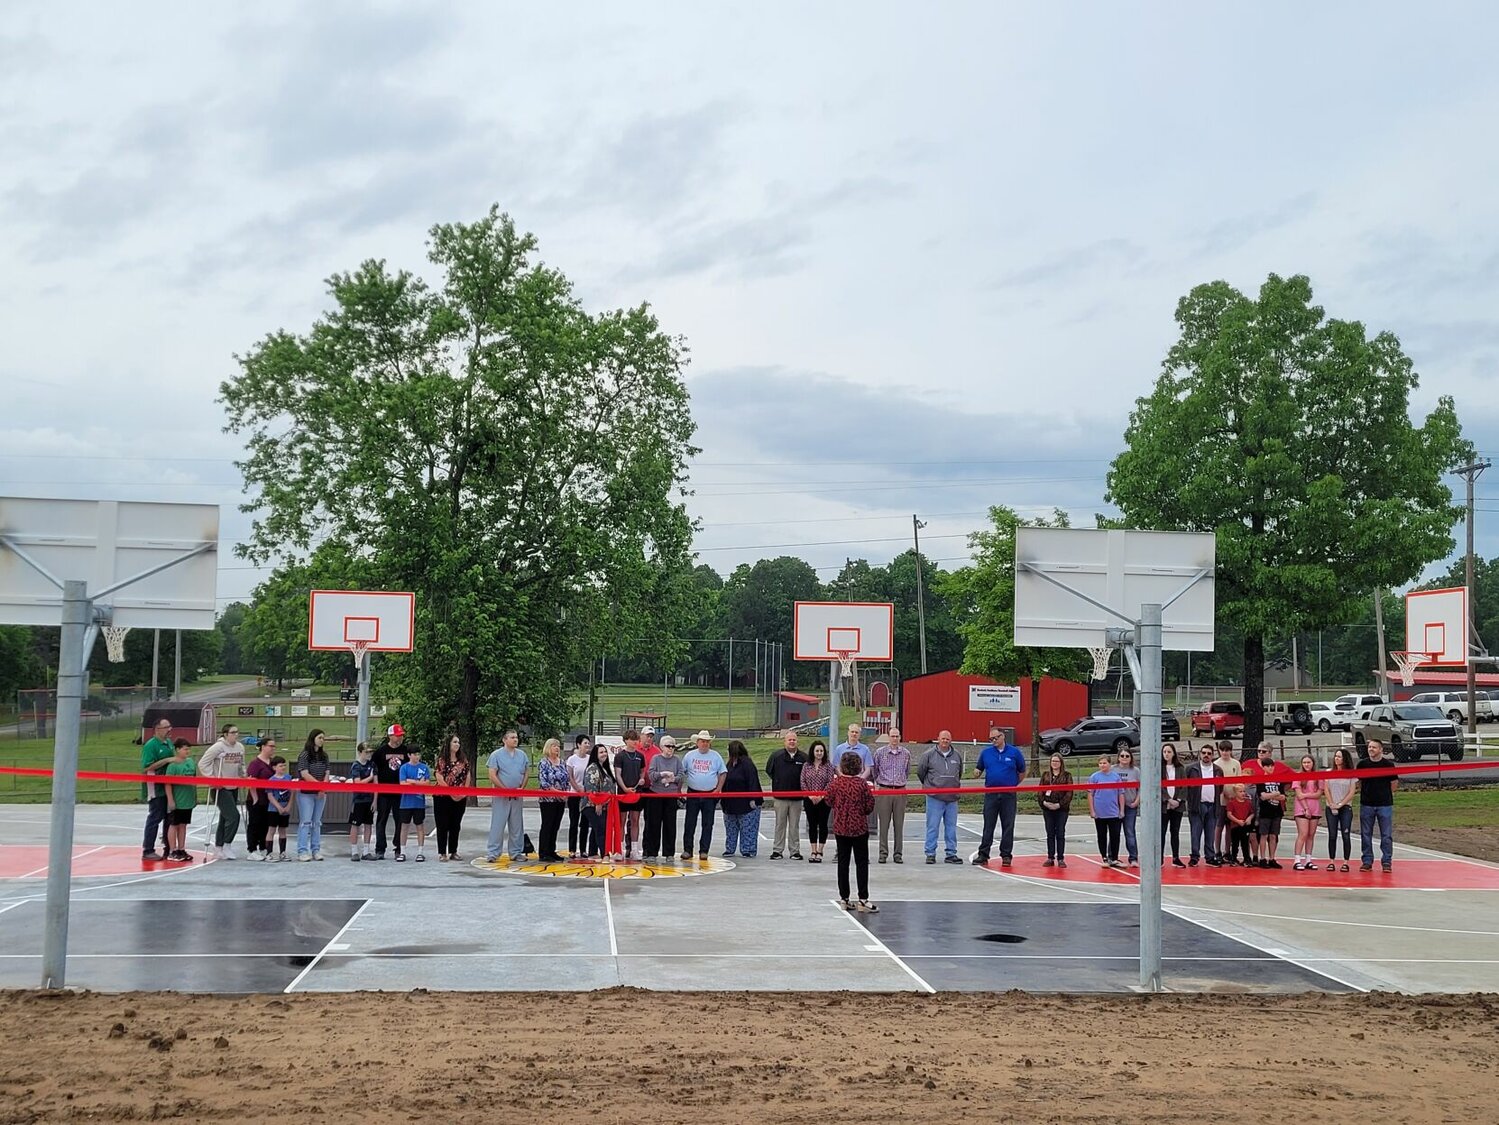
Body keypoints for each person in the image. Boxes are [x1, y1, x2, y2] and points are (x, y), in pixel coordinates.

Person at [826, 750, 878, 913]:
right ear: (858, 767)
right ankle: (863, 899)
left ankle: (844, 898)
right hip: (859, 828)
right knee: (862, 863)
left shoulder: (836, 784)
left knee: (843, 863)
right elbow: (869, 806)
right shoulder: (862, 785)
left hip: (841, 828)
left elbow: (829, 801)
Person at [971, 726, 1026, 867]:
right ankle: (983, 854)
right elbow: (979, 768)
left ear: (1003, 737)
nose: (993, 741)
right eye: (991, 739)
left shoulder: (1015, 752)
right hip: (991, 794)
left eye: (995, 738)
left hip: (1008, 794)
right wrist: (976, 772)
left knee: (1008, 825)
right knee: (988, 825)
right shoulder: (986, 753)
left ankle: (1006, 855)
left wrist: (1012, 784)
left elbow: (1022, 772)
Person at [198, 722, 246, 860]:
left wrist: (243, 775)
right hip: (220, 787)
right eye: (233, 732)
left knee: (224, 817)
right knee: (233, 816)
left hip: (234, 785)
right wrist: (213, 779)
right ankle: (227, 844)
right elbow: (203, 763)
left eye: (237, 732)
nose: (236, 735)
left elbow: (241, 763)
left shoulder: (239, 747)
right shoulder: (218, 747)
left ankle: (218, 847)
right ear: (225, 734)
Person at [917, 730, 964, 865]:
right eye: (943, 738)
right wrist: (930, 787)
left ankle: (951, 853)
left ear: (951, 740)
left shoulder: (957, 755)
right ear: (938, 739)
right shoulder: (928, 755)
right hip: (934, 797)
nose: (945, 741)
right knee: (932, 826)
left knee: (951, 827)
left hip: (952, 798)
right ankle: (930, 853)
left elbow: (959, 774)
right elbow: (921, 772)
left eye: (947, 739)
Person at [680, 730, 726, 861]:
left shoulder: (715, 756)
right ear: (697, 743)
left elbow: (723, 773)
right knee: (690, 822)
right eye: (702, 741)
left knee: (708, 823)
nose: (705, 743)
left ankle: (704, 850)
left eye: (707, 741)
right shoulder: (689, 756)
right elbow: (682, 772)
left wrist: (718, 789)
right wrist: (680, 789)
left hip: (710, 794)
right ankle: (687, 849)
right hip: (693, 792)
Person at [486, 729, 530, 863]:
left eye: (516, 737)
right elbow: (492, 775)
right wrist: (504, 789)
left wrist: (521, 788)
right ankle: (493, 853)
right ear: (504, 740)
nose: (515, 740)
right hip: (501, 795)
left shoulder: (522, 755)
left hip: (517, 795)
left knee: (517, 825)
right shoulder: (496, 755)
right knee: (498, 824)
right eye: (512, 737)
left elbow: (526, 772)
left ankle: (516, 852)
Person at [764, 731, 807, 860]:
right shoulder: (776, 756)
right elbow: (769, 771)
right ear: (785, 741)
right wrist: (778, 782)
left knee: (794, 826)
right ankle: (777, 850)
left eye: (794, 740)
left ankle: (795, 851)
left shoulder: (803, 758)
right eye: (789, 740)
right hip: (780, 798)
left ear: (797, 741)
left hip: (797, 799)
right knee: (780, 825)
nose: (792, 742)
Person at [872, 726, 911, 864]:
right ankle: (883, 853)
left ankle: (898, 854)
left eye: (897, 736)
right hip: (885, 790)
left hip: (900, 790)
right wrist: (882, 784)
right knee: (883, 824)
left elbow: (907, 771)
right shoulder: (879, 753)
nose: (895, 739)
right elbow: (875, 771)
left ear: (900, 737)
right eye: (892, 736)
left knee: (899, 825)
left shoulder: (906, 753)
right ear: (888, 737)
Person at [1358, 739, 1397, 872]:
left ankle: (1387, 862)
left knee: (1386, 834)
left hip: (1384, 804)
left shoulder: (1388, 765)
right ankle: (1367, 861)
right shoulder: (1362, 764)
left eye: (1374, 747)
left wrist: (1385, 795)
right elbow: (1359, 782)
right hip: (1367, 804)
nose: (1371, 749)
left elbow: (1394, 783)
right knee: (1365, 834)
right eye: (1369, 747)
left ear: (1381, 749)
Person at [372, 724, 410, 860]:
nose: (400, 737)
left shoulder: (406, 751)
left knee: (400, 820)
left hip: (400, 792)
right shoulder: (381, 752)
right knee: (381, 820)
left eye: (401, 735)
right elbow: (374, 768)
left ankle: (398, 847)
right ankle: (380, 848)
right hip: (384, 792)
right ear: (390, 736)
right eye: (397, 735)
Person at [720, 740, 764, 858]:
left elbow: (753, 781)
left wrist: (753, 799)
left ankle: (748, 849)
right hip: (731, 804)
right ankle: (730, 848)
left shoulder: (747, 764)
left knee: (748, 828)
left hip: (747, 804)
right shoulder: (729, 764)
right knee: (731, 828)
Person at [140, 717, 176, 860]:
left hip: (167, 786)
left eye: (169, 726)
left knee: (169, 817)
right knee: (155, 817)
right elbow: (146, 767)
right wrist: (167, 760)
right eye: (166, 727)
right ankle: (148, 849)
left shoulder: (168, 743)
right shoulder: (151, 745)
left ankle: (169, 847)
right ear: (157, 729)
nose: (169, 730)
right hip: (155, 787)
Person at [644, 734, 684, 860]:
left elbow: (681, 775)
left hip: (671, 795)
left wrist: (674, 779)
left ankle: (669, 853)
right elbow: (650, 774)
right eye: (668, 746)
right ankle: (651, 853)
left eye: (673, 746)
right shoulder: (656, 759)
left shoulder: (677, 760)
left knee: (670, 824)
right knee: (653, 824)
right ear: (662, 747)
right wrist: (661, 774)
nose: (670, 749)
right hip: (656, 794)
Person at [294, 728, 332, 862]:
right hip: (306, 793)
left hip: (321, 794)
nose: (322, 740)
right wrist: (318, 786)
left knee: (317, 822)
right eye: (320, 738)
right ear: (313, 739)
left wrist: (323, 788)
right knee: (305, 822)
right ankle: (302, 850)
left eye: (323, 738)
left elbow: (327, 773)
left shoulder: (324, 756)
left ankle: (316, 849)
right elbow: (304, 774)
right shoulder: (304, 755)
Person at [433, 736, 470, 862]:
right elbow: (439, 777)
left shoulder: (463, 760)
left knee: (455, 825)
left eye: (458, 742)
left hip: (460, 797)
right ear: (448, 744)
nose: (457, 744)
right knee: (442, 825)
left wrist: (464, 792)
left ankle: (453, 851)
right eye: (454, 742)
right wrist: (451, 793)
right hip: (443, 797)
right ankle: (442, 852)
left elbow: (467, 776)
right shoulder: (442, 760)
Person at [1253, 743, 1290, 869]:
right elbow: (1262, 796)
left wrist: (1273, 795)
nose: (1270, 768)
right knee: (1263, 835)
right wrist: (1274, 794)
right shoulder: (1260, 780)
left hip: (1276, 811)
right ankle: (1262, 857)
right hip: (1264, 811)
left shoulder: (1278, 780)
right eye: (1267, 766)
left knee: (1274, 835)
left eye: (1272, 766)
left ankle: (1272, 858)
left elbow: (1283, 796)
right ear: (1263, 768)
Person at [613, 729, 648, 861]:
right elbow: (618, 774)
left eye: (636, 740)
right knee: (621, 821)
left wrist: (641, 779)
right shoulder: (620, 756)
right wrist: (625, 788)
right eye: (632, 739)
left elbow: (642, 770)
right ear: (626, 740)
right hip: (623, 793)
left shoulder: (640, 756)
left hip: (636, 792)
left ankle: (634, 850)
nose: (635, 742)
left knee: (635, 820)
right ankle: (620, 849)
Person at [1185, 744, 1222, 867]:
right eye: (1204, 753)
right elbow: (1185, 787)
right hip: (1197, 805)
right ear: (1200, 754)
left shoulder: (1218, 770)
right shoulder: (1191, 769)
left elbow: (1220, 788)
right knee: (1195, 832)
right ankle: (1194, 856)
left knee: (1210, 833)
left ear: (1213, 755)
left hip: (1212, 805)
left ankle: (1210, 857)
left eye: (1209, 753)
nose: (1206, 755)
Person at [799, 740, 835, 864]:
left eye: (821, 751)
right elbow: (802, 781)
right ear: (813, 752)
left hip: (824, 800)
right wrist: (810, 795)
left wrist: (821, 795)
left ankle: (820, 850)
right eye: (817, 751)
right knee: (812, 825)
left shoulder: (828, 765)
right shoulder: (806, 765)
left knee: (823, 824)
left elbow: (831, 782)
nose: (819, 753)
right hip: (809, 799)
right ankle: (813, 850)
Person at [163, 738, 198, 862]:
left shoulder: (191, 762)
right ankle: (172, 850)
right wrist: (170, 800)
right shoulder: (173, 766)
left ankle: (181, 848)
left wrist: (195, 797)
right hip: (178, 800)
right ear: (177, 750)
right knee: (174, 825)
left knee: (183, 825)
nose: (187, 751)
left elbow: (194, 780)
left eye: (188, 749)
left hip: (188, 800)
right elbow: (167, 784)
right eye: (185, 749)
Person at [580, 741, 616, 859]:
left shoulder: (605, 768)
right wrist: (598, 803)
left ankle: (592, 852)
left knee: (597, 828)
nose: (604, 754)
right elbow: (591, 788)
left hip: (605, 804)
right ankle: (605, 854)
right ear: (595, 754)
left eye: (605, 751)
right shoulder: (593, 768)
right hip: (591, 804)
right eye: (601, 752)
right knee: (600, 828)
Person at [537, 737, 571, 862]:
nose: (557, 748)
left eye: (558, 746)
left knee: (556, 825)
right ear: (548, 748)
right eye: (554, 746)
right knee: (547, 824)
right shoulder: (544, 762)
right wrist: (557, 792)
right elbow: (544, 782)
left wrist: (565, 793)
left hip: (560, 800)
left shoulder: (562, 762)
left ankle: (551, 850)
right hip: (548, 799)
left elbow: (567, 779)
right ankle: (544, 852)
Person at [1087, 754, 1124, 867]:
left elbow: (1121, 794)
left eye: (1104, 763)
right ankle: (1104, 857)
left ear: (1109, 764)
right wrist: (1092, 811)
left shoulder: (1116, 777)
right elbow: (1090, 794)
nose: (1102, 765)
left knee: (1115, 836)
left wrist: (1121, 810)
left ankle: (1114, 857)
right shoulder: (1094, 777)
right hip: (1100, 813)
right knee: (1102, 835)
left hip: (1113, 812)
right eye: (1100, 763)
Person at [1037, 752, 1072, 868]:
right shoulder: (1046, 775)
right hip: (1047, 809)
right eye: (1053, 761)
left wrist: (1059, 805)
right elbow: (1040, 791)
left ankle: (1061, 858)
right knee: (1050, 833)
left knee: (1060, 833)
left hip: (1061, 809)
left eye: (1057, 761)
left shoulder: (1067, 776)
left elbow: (1069, 793)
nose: (1055, 763)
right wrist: (1044, 803)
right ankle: (1050, 857)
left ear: (1061, 763)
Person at [1324, 747, 1356, 873]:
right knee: (1332, 835)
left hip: (1345, 807)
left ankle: (1345, 862)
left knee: (1345, 834)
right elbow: (1326, 789)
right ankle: (1331, 861)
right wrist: (1332, 803)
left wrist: (1341, 804)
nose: (1336, 759)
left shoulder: (1350, 775)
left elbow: (1351, 792)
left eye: (1339, 756)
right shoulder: (1329, 772)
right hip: (1331, 806)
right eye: (1335, 756)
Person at [245, 736, 276, 859]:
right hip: (257, 799)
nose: (273, 748)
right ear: (263, 747)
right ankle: (252, 849)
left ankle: (263, 847)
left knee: (265, 824)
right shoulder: (255, 763)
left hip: (269, 800)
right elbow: (251, 781)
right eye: (271, 746)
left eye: (274, 746)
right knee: (254, 824)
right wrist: (255, 798)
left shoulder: (272, 762)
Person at [1291, 754, 1324, 871]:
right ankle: (1297, 860)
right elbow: (1299, 795)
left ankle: (1308, 860)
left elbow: (1319, 794)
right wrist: (1306, 808)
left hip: (1315, 808)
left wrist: (1307, 795)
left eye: (1308, 762)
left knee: (1311, 834)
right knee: (1303, 834)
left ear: (1313, 763)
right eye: (1304, 762)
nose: (1306, 765)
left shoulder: (1318, 777)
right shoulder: (1298, 776)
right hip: (1301, 808)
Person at [346, 742, 377, 860]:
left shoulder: (372, 765)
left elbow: (376, 783)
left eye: (370, 752)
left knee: (368, 824)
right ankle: (354, 851)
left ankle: (366, 851)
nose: (369, 754)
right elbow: (358, 783)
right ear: (360, 752)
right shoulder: (356, 766)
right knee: (355, 825)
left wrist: (375, 800)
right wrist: (369, 777)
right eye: (366, 752)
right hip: (358, 800)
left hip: (369, 800)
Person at [1213, 741, 1243, 862]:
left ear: (1231, 751)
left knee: (1230, 827)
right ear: (1219, 750)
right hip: (1220, 800)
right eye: (1223, 750)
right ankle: (1217, 851)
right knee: (1219, 826)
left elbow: (1239, 781)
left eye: (1227, 750)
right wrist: (1223, 793)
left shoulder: (1236, 763)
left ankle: (1227, 851)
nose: (1225, 752)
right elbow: (1215, 782)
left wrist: (1235, 795)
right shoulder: (1216, 764)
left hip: (1233, 800)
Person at [566, 735, 594, 859]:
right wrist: (577, 788)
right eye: (585, 743)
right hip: (574, 794)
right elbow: (570, 776)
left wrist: (586, 790)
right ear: (578, 744)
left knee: (585, 823)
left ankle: (583, 849)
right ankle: (572, 849)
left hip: (587, 795)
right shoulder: (572, 760)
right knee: (574, 821)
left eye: (588, 743)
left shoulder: (590, 759)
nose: (587, 745)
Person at [1115, 747, 1142, 868]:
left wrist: (1137, 801)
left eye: (1127, 756)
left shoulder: (1135, 771)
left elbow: (1141, 787)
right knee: (1114, 832)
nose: (1124, 758)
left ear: (1131, 758)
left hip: (1130, 805)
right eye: (1122, 756)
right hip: (1115, 806)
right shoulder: (1112, 769)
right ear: (1118, 757)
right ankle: (1112, 857)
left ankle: (1133, 857)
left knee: (1130, 832)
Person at [1160, 743, 1186, 867]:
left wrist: (1178, 800)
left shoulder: (1180, 768)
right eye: (1164, 752)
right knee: (1162, 832)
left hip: (1177, 806)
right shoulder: (1159, 768)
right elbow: (1159, 786)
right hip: (1164, 806)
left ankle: (1176, 858)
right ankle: (1159, 858)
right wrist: (1168, 799)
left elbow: (1184, 786)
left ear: (1174, 753)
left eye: (1169, 752)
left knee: (1175, 832)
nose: (1166, 754)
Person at [264, 756, 292, 860]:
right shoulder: (271, 780)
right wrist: (278, 807)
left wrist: (288, 805)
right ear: (274, 767)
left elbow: (291, 792)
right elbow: (270, 795)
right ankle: (269, 853)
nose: (283, 767)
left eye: (284, 765)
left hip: (285, 809)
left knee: (283, 830)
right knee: (271, 830)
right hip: (273, 810)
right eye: (280, 766)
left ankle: (283, 852)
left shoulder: (288, 778)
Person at [1224, 784, 1255, 867]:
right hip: (1235, 826)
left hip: (1245, 826)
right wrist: (1237, 821)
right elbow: (1229, 814)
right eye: (1240, 791)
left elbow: (1252, 813)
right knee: (1235, 843)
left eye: (1244, 791)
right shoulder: (1232, 803)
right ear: (1235, 792)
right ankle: (1233, 858)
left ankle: (1247, 859)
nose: (1243, 793)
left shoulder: (1248, 803)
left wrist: (1249, 818)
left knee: (1245, 843)